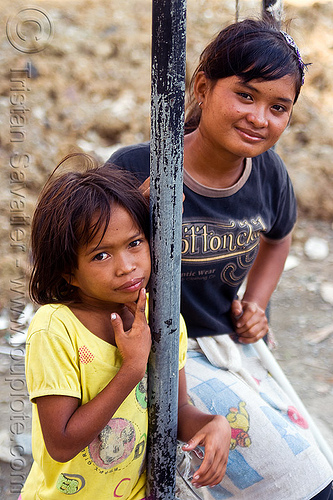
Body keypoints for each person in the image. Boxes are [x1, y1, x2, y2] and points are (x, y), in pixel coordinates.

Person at [109, 17, 333, 500]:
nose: (260, 118)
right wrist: (136, 223)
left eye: (279, 107)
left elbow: (280, 236)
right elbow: (86, 261)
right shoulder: (136, 169)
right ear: (203, 88)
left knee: (313, 456)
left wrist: (257, 301)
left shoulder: (268, 174)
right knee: (302, 482)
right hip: (155, 352)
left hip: (229, 347)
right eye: (246, 95)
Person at [19, 154, 231, 500]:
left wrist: (212, 423)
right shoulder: (56, 329)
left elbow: (173, 413)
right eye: (101, 255)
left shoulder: (165, 321)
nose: (127, 266)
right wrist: (132, 367)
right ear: (67, 271)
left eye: (135, 243)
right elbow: (61, 443)